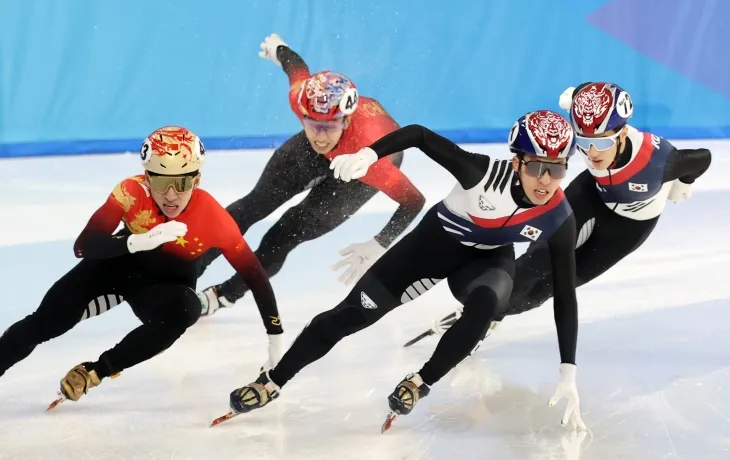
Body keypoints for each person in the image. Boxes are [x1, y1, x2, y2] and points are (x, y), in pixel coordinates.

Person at [217, 110, 587, 432]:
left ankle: (420, 382)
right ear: (518, 161)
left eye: (557, 168)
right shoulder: (480, 171)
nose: (547, 180)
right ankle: (272, 382)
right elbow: (420, 135)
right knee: (349, 316)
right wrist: (369, 154)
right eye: (538, 167)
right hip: (430, 249)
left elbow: (565, 292)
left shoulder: (559, 217)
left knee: (487, 306)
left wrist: (568, 370)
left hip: (486, 262)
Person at [410, 81, 712, 347]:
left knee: (547, 289)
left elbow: (703, 158)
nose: (592, 153)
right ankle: (487, 309)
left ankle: (495, 315)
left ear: (621, 134)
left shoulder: (660, 162)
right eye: (583, 141)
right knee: (535, 262)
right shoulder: (585, 112)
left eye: (602, 142)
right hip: (590, 194)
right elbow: (582, 98)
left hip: (628, 226)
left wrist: (684, 181)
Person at [0, 126, 284, 408]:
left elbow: (255, 276)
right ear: (147, 177)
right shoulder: (131, 192)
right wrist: (136, 242)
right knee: (44, 324)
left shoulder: (214, 219)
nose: (171, 195)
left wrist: (275, 337)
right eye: (161, 183)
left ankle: (95, 371)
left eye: (182, 183)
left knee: (187, 310)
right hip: (112, 267)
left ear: (197, 179)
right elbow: (83, 246)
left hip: (162, 289)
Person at [197, 33, 426, 316]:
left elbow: (414, 200)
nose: (319, 136)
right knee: (252, 206)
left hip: (361, 166)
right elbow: (296, 69)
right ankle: (190, 267)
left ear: (346, 119)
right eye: (311, 123)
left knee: (283, 234)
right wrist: (280, 49)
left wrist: (380, 242)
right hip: (330, 150)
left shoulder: (373, 157)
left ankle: (222, 296)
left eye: (328, 126)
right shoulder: (303, 99)